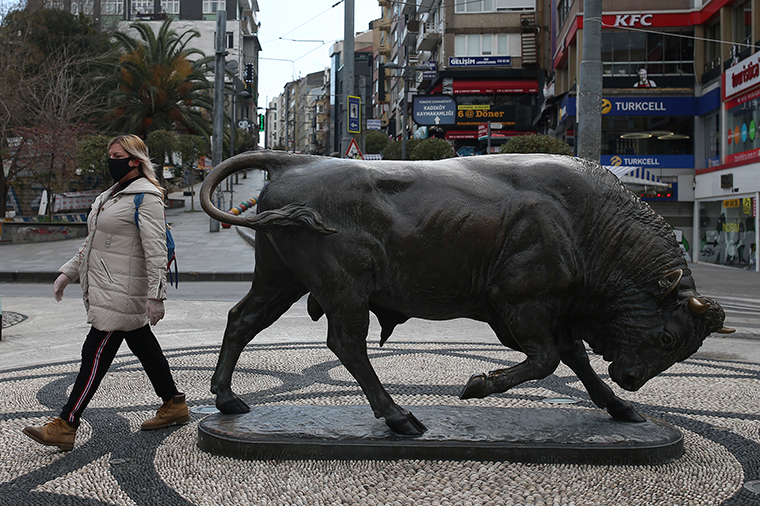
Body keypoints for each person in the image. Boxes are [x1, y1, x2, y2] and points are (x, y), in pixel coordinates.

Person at [22, 134, 189, 451]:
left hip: (123, 290)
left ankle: (66, 423)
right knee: (144, 346)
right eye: (110, 154)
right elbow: (92, 242)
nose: (110, 160)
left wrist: (156, 296)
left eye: (117, 155)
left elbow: (155, 251)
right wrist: (67, 273)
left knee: (94, 354)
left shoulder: (147, 197)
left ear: (134, 161)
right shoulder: (110, 196)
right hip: (107, 285)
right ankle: (173, 403)